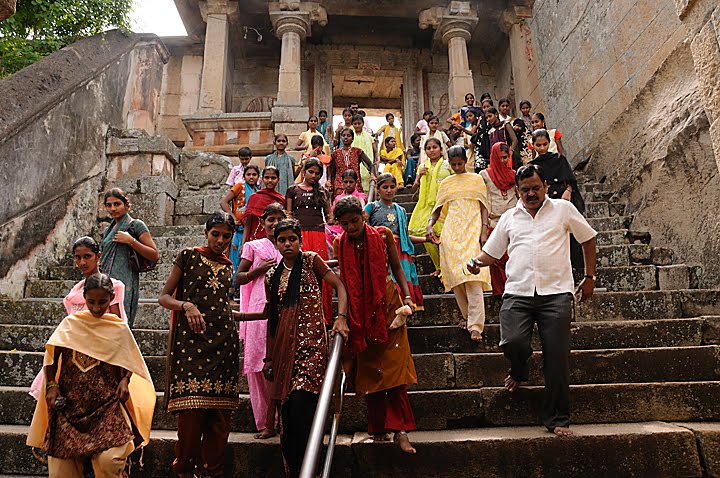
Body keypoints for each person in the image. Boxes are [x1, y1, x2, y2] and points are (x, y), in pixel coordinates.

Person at [468, 164, 598, 437]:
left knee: (557, 357)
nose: (530, 194)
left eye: (535, 188)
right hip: (518, 292)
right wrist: (475, 262)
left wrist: (589, 276)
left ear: (546, 187)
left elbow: (587, 239)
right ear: (517, 191)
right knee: (513, 341)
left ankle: (558, 419)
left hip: (556, 293)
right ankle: (519, 370)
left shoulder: (563, 209)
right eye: (525, 189)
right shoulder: (508, 218)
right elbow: (491, 253)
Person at [27, 272, 155, 478]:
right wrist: (51, 385)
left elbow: (130, 359)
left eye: (102, 302)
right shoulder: (71, 324)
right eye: (91, 301)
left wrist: (125, 379)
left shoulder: (118, 328)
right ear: (84, 297)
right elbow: (52, 356)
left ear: (112, 298)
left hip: (107, 410)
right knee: (61, 471)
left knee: (109, 462)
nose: (96, 308)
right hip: (69, 410)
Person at [159, 212, 253, 477]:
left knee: (219, 422)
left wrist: (257, 315)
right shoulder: (188, 255)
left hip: (223, 347)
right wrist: (186, 305)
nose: (221, 240)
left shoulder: (227, 265)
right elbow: (164, 297)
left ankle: (212, 473)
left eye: (226, 236)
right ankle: (185, 471)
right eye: (216, 234)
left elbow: (221, 307)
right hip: (191, 347)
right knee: (190, 420)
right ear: (206, 232)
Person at [263, 218, 349, 478]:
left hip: (311, 345)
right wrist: (269, 357)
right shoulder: (271, 276)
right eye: (282, 240)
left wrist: (340, 317)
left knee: (302, 403)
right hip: (284, 350)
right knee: (288, 416)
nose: (287, 244)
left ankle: (309, 467)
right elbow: (274, 318)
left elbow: (340, 287)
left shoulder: (312, 261)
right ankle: (298, 470)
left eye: (292, 239)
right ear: (276, 243)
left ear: (300, 240)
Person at [332, 196, 418, 454]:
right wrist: (343, 315)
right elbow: (344, 283)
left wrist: (408, 296)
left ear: (363, 216)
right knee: (370, 371)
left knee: (394, 371)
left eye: (354, 221)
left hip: (389, 305)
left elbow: (397, 268)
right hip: (361, 314)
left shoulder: (383, 235)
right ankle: (378, 429)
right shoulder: (339, 243)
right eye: (344, 223)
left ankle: (401, 430)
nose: (350, 228)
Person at [29, 236, 127, 401]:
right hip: (73, 351)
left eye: (87, 256)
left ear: (98, 256)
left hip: (102, 351)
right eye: (78, 257)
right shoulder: (75, 291)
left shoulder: (113, 286)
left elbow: (117, 322)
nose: (82, 262)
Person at [426, 147, 491, 341]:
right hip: (451, 233)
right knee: (456, 279)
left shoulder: (477, 179)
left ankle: (476, 326)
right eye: (453, 164)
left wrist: (484, 231)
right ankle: (467, 317)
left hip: (472, 230)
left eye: (459, 163)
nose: (456, 167)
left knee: (472, 277)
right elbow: (437, 210)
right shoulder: (446, 183)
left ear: (465, 161)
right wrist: (430, 225)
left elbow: (484, 207)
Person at [236, 203, 286, 440]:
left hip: (284, 310)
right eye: (270, 219)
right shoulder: (252, 246)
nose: (274, 224)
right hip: (259, 310)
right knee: (258, 367)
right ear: (263, 223)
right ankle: (266, 422)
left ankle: (285, 419)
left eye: (279, 219)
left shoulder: (289, 245)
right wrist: (259, 270)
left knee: (282, 364)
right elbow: (238, 277)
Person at [100, 188, 159, 328]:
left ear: (126, 205)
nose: (113, 208)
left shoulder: (136, 225)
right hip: (106, 280)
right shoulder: (109, 229)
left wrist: (131, 241)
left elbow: (154, 254)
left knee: (120, 323)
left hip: (125, 282)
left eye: (117, 204)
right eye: (109, 205)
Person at [529, 129, 585, 274]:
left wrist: (568, 191)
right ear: (533, 145)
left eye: (545, 144)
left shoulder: (559, 159)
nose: (542, 148)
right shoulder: (531, 166)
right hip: (544, 203)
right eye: (538, 145)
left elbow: (570, 179)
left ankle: (575, 267)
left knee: (569, 233)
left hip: (562, 198)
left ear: (550, 143)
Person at [365, 173, 425, 310]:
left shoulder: (401, 210)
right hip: (380, 248)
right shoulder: (372, 207)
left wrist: (427, 239)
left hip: (399, 250)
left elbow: (405, 236)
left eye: (392, 187)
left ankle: (404, 306)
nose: (389, 190)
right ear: (378, 189)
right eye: (385, 187)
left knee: (401, 278)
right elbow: (361, 223)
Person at [286, 158, 334, 322]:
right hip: (299, 236)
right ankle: (301, 313)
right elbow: (289, 214)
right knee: (301, 271)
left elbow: (329, 216)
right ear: (304, 171)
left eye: (317, 173)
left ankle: (323, 314)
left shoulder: (322, 192)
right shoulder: (292, 190)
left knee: (320, 270)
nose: (313, 175)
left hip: (318, 234)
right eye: (310, 172)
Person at [408, 137, 451, 274]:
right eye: (428, 148)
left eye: (434, 147)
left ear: (440, 149)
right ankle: (438, 267)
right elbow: (414, 189)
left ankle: (448, 267)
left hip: (444, 205)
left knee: (446, 236)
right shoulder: (422, 166)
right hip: (426, 206)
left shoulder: (447, 165)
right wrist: (419, 177)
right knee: (426, 236)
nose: (432, 150)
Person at [479, 143, 518, 296]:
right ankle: (501, 292)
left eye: (505, 157)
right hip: (494, 221)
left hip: (514, 220)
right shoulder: (485, 175)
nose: (502, 160)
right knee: (497, 258)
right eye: (500, 157)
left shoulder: (514, 174)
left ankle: (515, 290)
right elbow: (482, 200)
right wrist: (483, 227)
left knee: (513, 257)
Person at [221, 164, 260, 285]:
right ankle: (232, 288)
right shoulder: (239, 187)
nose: (251, 177)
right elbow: (224, 202)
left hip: (251, 231)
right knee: (235, 257)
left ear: (258, 177)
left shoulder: (258, 192)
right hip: (238, 230)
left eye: (254, 174)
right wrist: (232, 218)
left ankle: (243, 288)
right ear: (244, 176)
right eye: (248, 174)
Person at [243, 166, 287, 244]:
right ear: (262, 179)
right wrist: (244, 243)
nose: (270, 180)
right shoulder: (254, 197)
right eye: (267, 178)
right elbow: (248, 223)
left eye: (273, 178)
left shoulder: (281, 199)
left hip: (275, 240)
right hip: (255, 239)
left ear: (278, 180)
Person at [330, 127, 375, 199]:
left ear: (353, 138)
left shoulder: (357, 151)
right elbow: (332, 170)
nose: (346, 137)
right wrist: (330, 182)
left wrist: (372, 174)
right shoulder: (335, 153)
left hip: (355, 183)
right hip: (340, 184)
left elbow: (370, 164)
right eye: (344, 135)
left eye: (348, 136)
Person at [351, 114, 377, 192]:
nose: (357, 126)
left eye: (359, 123)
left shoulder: (369, 137)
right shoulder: (350, 136)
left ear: (363, 124)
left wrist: (377, 160)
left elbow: (375, 150)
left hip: (367, 164)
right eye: (355, 124)